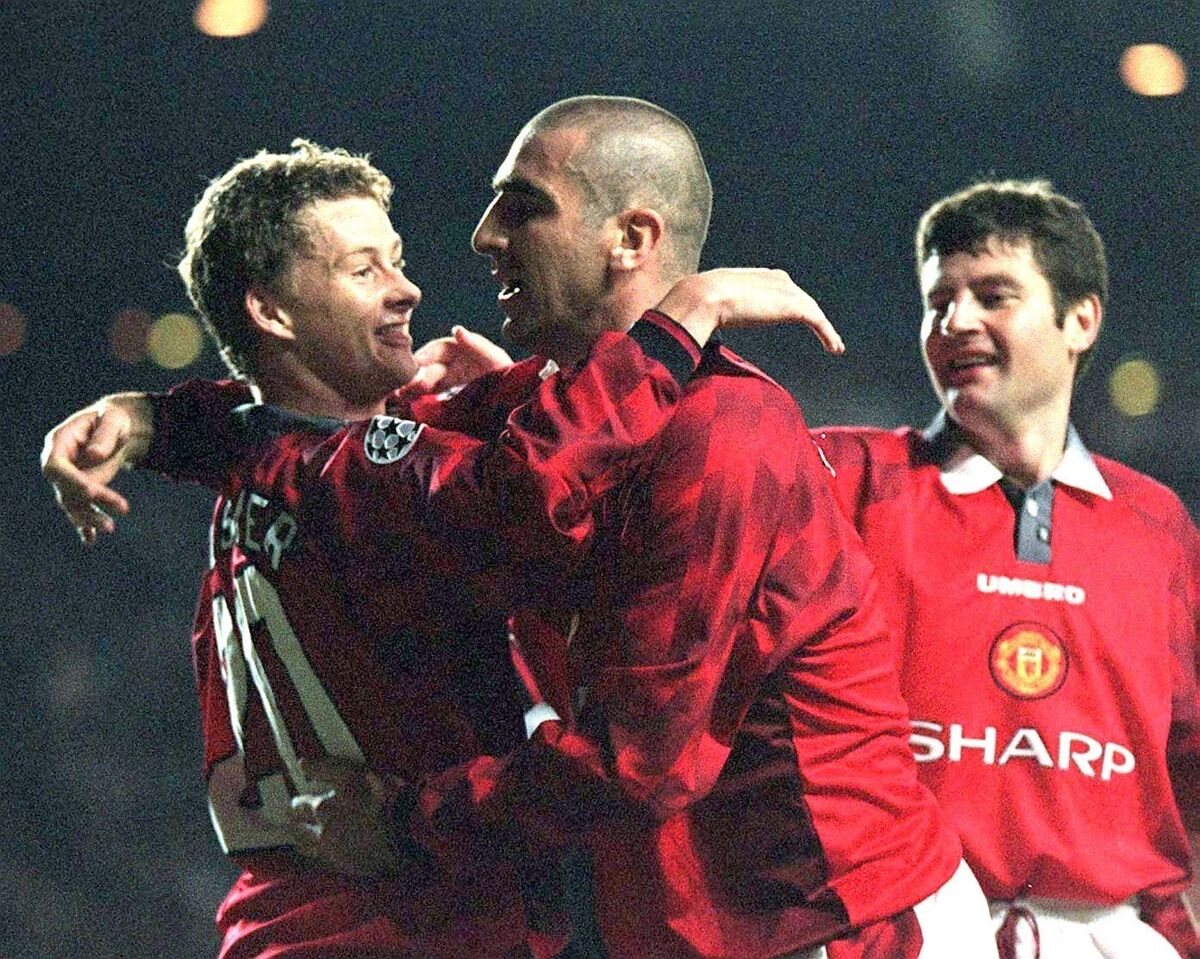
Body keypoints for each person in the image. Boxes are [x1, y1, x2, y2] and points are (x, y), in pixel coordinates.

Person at [44, 97, 998, 959]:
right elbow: (430, 468)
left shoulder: (719, 433)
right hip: (591, 916)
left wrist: (410, 822)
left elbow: (637, 759)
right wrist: (149, 416)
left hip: (831, 921)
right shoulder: (481, 429)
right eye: (364, 265)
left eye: (522, 206)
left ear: (631, 238)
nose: (476, 239)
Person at [812, 179, 1200, 959]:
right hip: (898, 932)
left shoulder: (1156, 523)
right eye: (938, 300)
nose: (956, 322)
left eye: (992, 294)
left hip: (1110, 938)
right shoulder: (847, 478)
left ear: (1080, 318)